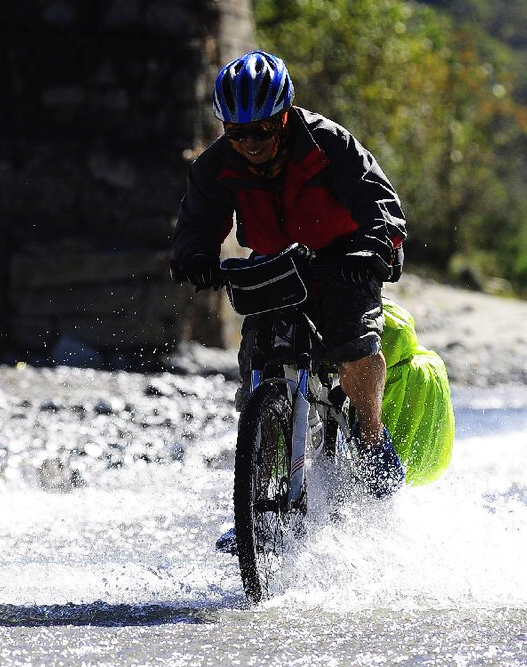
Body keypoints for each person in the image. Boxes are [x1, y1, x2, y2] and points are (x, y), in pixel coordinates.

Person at [171, 50, 407, 497]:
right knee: (255, 367)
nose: (250, 142)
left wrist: (373, 247)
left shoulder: (329, 143)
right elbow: (197, 222)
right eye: (237, 133)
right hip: (275, 265)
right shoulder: (217, 164)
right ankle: (255, 501)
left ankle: (372, 436)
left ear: (284, 117)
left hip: (343, 261)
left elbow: (380, 205)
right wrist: (193, 256)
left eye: (261, 130)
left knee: (354, 344)